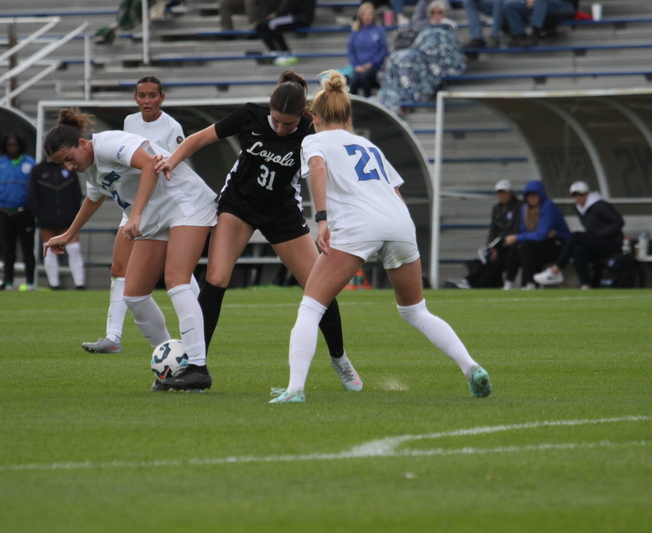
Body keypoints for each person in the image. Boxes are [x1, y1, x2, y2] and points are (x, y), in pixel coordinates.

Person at [269, 71, 492, 403]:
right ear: (349, 119)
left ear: (314, 118)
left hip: (359, 226)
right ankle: (471, 367)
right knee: (416, 311)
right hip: (399, 223)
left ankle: (295, 389)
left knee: (311, 308)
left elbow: (317, 169)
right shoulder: (369, 145)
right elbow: (395, 191)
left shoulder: (314, 140)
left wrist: (322, 220)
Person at [154, 71, 362, 393]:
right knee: (216, 278)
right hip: (238, 205)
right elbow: (198, 139)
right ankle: (196, 367)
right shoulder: (250, 115)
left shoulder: (311, 129)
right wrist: (171, 161)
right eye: (275, 120)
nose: (279, 128)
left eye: (287, 124)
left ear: (304, 115)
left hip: (282, 212)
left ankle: (339, 358)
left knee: (318, 286)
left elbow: (331, 162)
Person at [43, 108, 217, 392]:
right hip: (156, 217)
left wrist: (134, 215)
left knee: (176, 280)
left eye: (69, 158)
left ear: (83, 143)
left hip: (186, 203)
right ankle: (173, 366)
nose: (69, 166)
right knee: (134, 295)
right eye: (62, 163)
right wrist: (70, 233)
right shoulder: (90, 166)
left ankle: (198, 368)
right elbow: (94, 197)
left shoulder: (109, 143)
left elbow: (150, 164)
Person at [81, 75, 188, 355]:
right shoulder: (129, 122)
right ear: (135, 98)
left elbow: (174, 164)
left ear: (162, 97)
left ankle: (196, 327)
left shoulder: (172, 127)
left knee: (178, 272)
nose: (147, 101)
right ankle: (112, 337)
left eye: (152, 95)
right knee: (119, 268)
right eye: (142, 95)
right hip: (133, 205)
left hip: (162, 206)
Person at [375, 1, 465, 114]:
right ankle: (391, 98)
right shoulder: (427, 28)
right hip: (419, 54)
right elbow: (418, 44)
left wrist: (429, 53)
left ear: (445, 14)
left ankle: (407, 100)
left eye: (440, 12)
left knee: (406, 60)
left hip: (432, 60)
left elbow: (447, 49)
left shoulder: (448, 29)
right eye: (434, 12)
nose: (437, 15)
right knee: (395, 57)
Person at [534, 180, 625, 289]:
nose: (577, 198)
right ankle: (585, 285)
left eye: (580, 195)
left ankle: (555, 270)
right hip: (598, 243)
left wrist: (599, 235)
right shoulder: (580, 209)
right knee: (577, 251)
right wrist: (593, 237)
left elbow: (618, 222)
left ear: (587, 194)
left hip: (612, 243)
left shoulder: (600, 206)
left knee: (576, 236)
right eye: (574, 195)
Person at [450, 178, 522, 290]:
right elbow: (493, 230)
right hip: (500, 246)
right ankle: (469, 281)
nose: (502, 195)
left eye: (504, 192)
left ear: (511, 193)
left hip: (513, 245)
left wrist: (498, 246)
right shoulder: (497, 209)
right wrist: (491, 245)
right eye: (499, 193)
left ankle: (472, 282)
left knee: (496, 261)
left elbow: (515, 229)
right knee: (487, 260)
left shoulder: (520, 207)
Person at [28, 158, 85, 291]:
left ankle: (80, 284)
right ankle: (54, 284)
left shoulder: (68, 167)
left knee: (74, 248)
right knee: (49, 250)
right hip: (47, 219)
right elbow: (32, 195)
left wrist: (74, 213)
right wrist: (40, 214)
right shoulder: (38, 170)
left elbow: (76, 193)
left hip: (67, 218)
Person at [502, 180, 571, 290]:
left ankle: (530, 283)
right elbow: (525, 231)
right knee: (516, 246)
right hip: (540, 243)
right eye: (529, 195)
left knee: (525, 246)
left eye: (534, 195)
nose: (531, 198)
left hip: (559, 244)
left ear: (540, 195)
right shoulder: (525, 209)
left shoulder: (548, 206)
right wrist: (518, 238)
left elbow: (541, 234)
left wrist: (517, 237)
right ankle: (509, 282)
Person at [0, 133, 37, 291]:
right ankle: (8, 283)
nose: (12, 148)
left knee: (27, 249)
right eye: (9, 145)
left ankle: (30, 283)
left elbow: (35, 189)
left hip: (24, 213)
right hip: (5, 213)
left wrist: (30, 207)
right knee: (8, 250)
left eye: (14, 145)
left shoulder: (30, 163)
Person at [346, 2, 389, 98]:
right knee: (353, 80)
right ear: (360, 16)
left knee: (364, 78)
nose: (367, 16)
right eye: (365, 14)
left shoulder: (379, 30)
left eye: (369, 14)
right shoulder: (355, 32)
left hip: (374, 66)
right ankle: (355, 104)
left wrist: (371, 64)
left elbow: (383, 50)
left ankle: (368, 101)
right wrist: (356, 65)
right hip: (358, 66)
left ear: (373, 16)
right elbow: (351, 50)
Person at [255, 0, 316, 66]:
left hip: (300, 18)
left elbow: (290, 4)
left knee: (273, 24)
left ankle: (286, 52)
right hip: (294, 16)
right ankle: (274, 52)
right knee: (260, 26)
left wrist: (277, 14)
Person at [504, 0, 578, 47]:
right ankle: (519, 35)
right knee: (511, 5)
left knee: (541, 1)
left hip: (564, 5)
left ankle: (534, 35)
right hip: (539, 4)